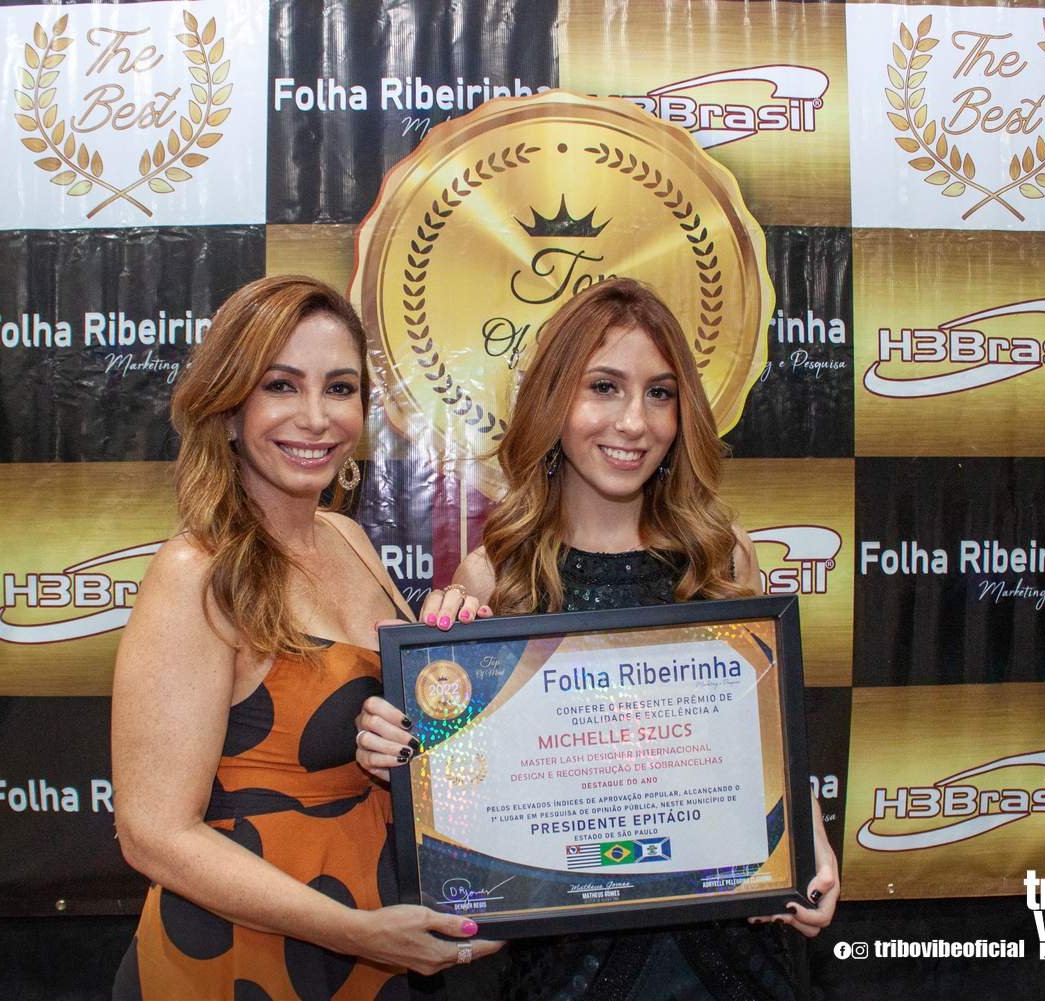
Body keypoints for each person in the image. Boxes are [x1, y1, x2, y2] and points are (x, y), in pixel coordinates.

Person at [354, 277, 839, 1000]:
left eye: (660, 393)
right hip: (568, 968)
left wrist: (811, 847)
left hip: (735, 952)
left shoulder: (721, 555)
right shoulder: (496, 577)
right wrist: (402, 743)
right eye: (604, 387)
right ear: (555, 400)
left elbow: (764, 741)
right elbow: (464, 793)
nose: (634, 422)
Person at [111, 275, 500, 1001]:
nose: (317, 417)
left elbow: (405, 737)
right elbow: (153, 833)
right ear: (229, 409)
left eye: (340, 388)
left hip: (374, 936)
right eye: (281, 386)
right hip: (247, 955)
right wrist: (354, 932)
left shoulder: (347, 537)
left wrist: (456, 662)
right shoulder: (198, 571)